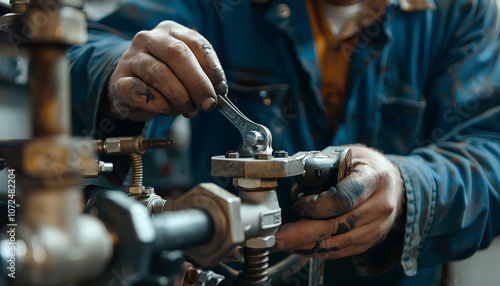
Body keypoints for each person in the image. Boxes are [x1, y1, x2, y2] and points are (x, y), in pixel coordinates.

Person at [68, 0, 500, 285]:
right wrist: (120, 73)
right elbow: (85, 46)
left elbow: (489, 153)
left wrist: (408, 187)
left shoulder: (459, 10)